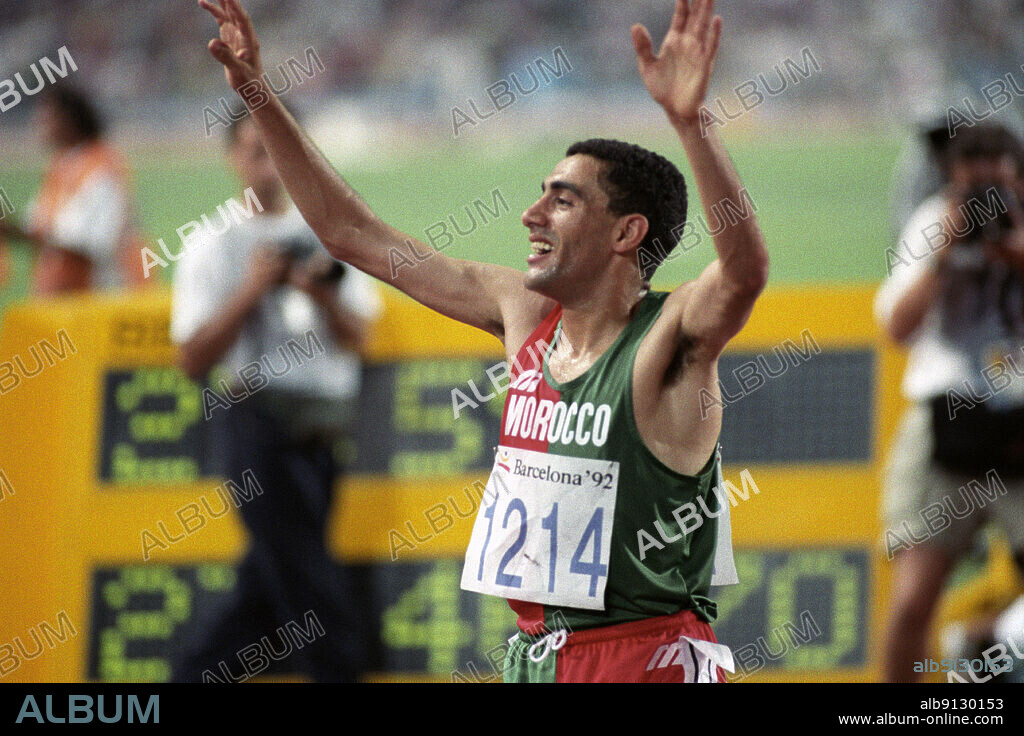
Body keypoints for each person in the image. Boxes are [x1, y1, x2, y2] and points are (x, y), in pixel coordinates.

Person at [200, 0, 768, 683]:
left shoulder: (667, 342)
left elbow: (742, 275)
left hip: (643, 656)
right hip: (535, 655)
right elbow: (354, 236)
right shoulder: (523, 314)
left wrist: (691, 122)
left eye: (562, 199)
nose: (531, 214)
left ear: (626, 234)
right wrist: (259, 93)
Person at [169, 104, 382, 682]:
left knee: (270, 589)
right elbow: (191, 358)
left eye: (278, 151)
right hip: (257, 425)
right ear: (232, 157)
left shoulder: (331, 233)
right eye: (255, 151)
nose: (267, 166)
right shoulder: (212, 243)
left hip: (324, 431)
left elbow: (360, 336)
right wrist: (252, 289)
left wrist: (322, 295)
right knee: (314, 590)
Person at [876, 122, 1024, 682]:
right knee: (914, 596)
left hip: (1020, 420)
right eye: (973, 186)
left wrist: (1014, 253)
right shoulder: (934, 222)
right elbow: (898, 326)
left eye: (999, 185)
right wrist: (942, 254)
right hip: (946, 418)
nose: (987, 201)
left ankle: (989, 641)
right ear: (952, 183)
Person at [0, 84, 148, 295]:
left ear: (68, 119)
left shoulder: (101, 167)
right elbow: (38, 228)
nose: (38, 124)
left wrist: (14, 231)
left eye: (46, 117)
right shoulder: (60, 166)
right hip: (67, 301)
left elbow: (85, 243)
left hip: (100, 299)